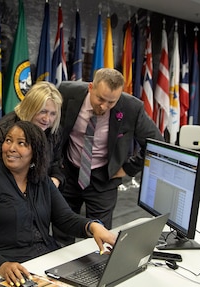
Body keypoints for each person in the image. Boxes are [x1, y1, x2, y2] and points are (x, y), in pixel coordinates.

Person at [0, 121, 117, 286]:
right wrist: (0, 264)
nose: (11, 148)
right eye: (8, 140)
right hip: (4, 267)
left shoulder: (40, 179)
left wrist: (92, 226)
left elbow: (65, 218)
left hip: (42, 262)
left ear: (35, 152)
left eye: (21, 143)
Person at [57, 68, 163, 244]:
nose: (104, 106)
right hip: (68, 171)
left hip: (104, 177)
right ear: (91, 87)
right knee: (61, 231)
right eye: (100, 99)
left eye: (111, 102)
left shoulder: (131, 107)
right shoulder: (67, 92)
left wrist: (128, 169)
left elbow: (156, 144)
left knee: (100, 237)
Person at [0, 81, 64, 188]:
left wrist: (55, 180)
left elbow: (56, 163)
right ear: (30, 108)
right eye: (43, 111)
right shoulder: (3, 130)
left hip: (39, 191)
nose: (47, 119)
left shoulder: (53, 131)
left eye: (52, 114)